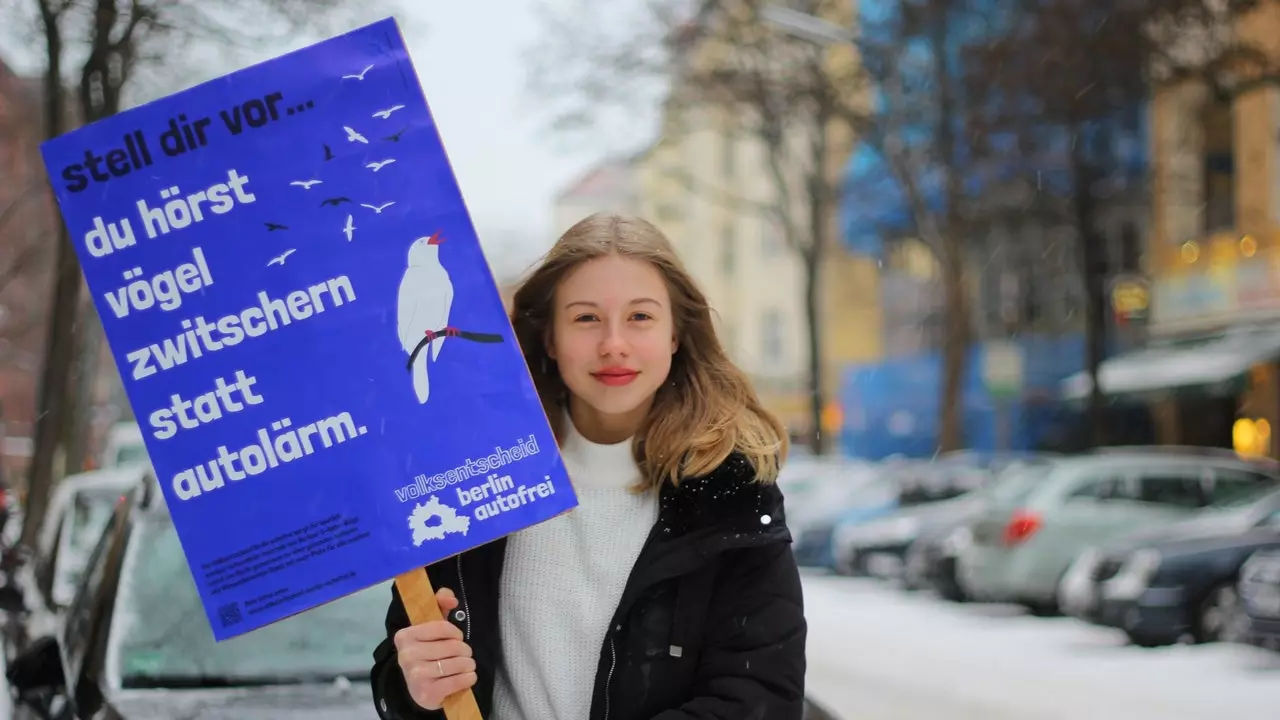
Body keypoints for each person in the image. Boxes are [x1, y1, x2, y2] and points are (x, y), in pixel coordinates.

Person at [371, 212, 806, 720]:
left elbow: (760, 701)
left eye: (640, 317)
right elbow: (403, 676)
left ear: (675, 334)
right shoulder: (473, 476)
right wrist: (414, 687)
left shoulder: (731, 495)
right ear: (550, 338)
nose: (613, 343)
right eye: (585, 318)